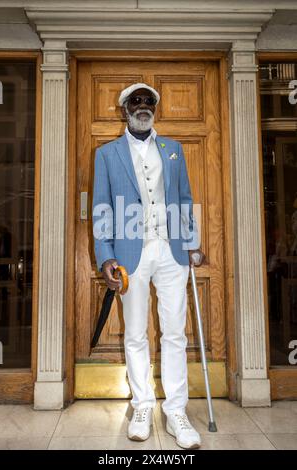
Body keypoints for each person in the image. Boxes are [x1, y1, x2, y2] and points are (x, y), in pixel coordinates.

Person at [92, 83, 206, 449]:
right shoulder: (107, 154)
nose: (144, 107)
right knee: (135, 332)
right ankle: (142, 404)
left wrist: (192, 243)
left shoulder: (173, 150)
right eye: (136, 102)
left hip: (171, 252)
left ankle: (176, 411)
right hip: (130, 253)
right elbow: (103, 206)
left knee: (175, 331)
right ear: (124, 110)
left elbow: (185, 199)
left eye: (149, 102)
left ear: (155, 108)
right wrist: (106, 255)